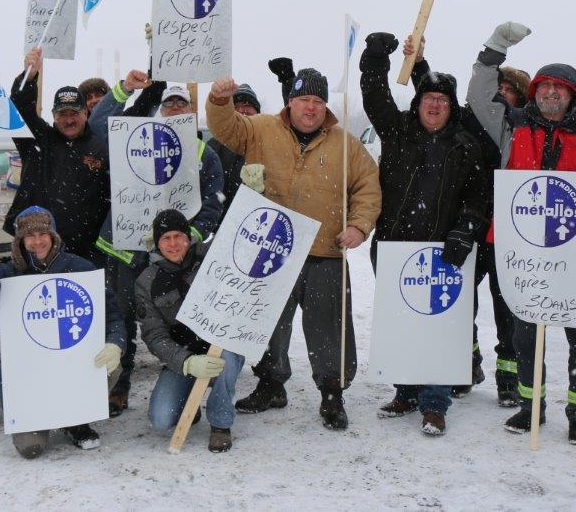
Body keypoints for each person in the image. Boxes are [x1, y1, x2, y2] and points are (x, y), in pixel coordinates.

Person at [467, 21, 576, 445]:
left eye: (561, 87)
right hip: (524, 251)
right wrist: (494, 48)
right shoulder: (513, 126)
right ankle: (530, 405)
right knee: (524, 335)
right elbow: (480, 96)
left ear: (574, 95)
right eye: (544, 86)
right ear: (534, 93)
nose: (551, 92)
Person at [207, 69, 381, 430]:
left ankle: (332, 393)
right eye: (304, 100)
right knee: (270, 323)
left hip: (325, 252)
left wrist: (358, 226)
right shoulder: (260, 129)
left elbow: (367, 186)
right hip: (271, 251)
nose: (311, 108)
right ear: (291, 101)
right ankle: (271, 383)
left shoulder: (346, 144)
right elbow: (225, 128)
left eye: (318, 101)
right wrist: (219, 100)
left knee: (329, 327)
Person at [360, 32, 488, 435]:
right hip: (394, 247)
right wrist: (375, 57)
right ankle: (406, 390)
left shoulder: (467, 147)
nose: (435, 105)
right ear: (418, 104)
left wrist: (465, 230)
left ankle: (435, 402)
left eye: (443, 100)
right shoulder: (397, 132)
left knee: (437, 324)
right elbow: (374, 96)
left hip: (443, 251)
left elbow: (478, 198)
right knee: (402, 321)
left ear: (452, 108)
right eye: (429, 98)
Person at [402, 35, 530, 405]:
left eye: (510, 91)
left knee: (507, 309)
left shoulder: (519, 131)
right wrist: (420, 65)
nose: (502, 94)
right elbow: (437, 99)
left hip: (509, 231)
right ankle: (465, 363)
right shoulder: (470, 120)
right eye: (499, 87)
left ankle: (508, 377)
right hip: (470, 226)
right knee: (460, 302)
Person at [0, 206, 126, 459]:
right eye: (29, 236)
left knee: (110, 366)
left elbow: (113, 316)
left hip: (72, 367)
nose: (36, 241)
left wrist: (115, 344)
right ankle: (41, 416)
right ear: (20, 240)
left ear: (53, 236)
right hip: (28, 375)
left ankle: (75, 420)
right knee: (30, 448)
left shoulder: (82, 269)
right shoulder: (7, 275)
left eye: (42, 234)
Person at [96, 81, 224, 417]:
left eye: (182, 105)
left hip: (175, 257)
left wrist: (185, 237)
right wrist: (125, 89)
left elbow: (213, 204)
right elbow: (97, 126)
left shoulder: (202, 153)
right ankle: (118, 388)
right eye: (169, 105)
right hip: (128, 249)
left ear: (191, 111)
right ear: (160, 109)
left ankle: (190, 380)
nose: (175, 110)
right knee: (121, 318)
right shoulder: (133, 139)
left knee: (180, 320)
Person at [135, 209, 243, 453]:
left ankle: (220, 423)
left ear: (188, 237)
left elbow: (239, 233)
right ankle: (188, 403)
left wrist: (257, 193)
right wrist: (187, 362)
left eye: (178, 236)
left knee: (227, 358)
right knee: (161, 419)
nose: (173, 244)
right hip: (184, 356)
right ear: (156, 242)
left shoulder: (211, 256)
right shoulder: (146, 281)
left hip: (222, 343)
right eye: (165, 238)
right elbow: (154, 336)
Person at [6, 48, 110, 266]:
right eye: (63, 114)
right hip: (38, 247)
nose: (69, 119)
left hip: (87, 249)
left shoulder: (102, 146)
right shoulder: (38, 139)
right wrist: (29, 76)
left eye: (74, 113)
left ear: (85, 113)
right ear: (53, 115)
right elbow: (19, 108)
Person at [206, 83, 262, 212]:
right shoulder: (212, 146)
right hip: (218, 222)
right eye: (236, 106)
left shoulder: (268, 143)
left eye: (248, 105)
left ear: (258, 112)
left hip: (257, 222)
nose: (243, 110)